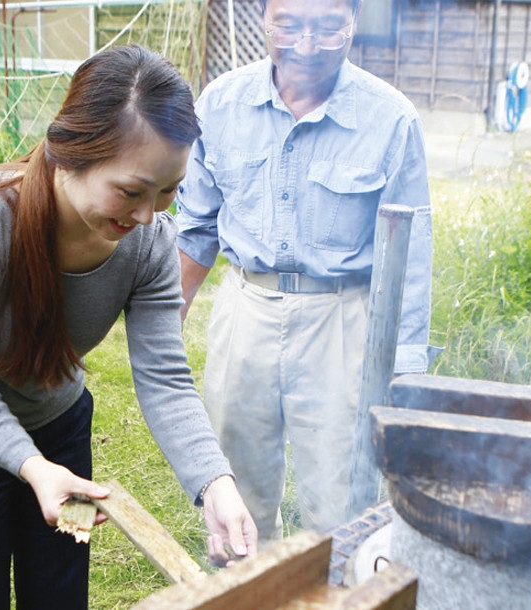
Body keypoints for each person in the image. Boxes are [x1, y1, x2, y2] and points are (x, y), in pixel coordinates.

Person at [0, 44, 258, 609]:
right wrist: (29, 466)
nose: (148, 216)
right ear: (71, 153)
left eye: (169, 191)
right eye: (132, 190)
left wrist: (215, 484)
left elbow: (165, 376)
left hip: (58, 429)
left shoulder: (150, 243)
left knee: (60, 594)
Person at [175, 0, 434, 542]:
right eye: (288, 25)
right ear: (264, 18)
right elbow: (196, 227)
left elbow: (407, 258)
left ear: (354, 23)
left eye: (328, 28)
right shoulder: (220, 104)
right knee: (235, 487)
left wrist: (404, 371)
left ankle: (338, 592)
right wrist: (166, 324)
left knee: (342, 495)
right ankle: (244, 592)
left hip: (342, 318)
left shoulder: (391, 118)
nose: (307, 46)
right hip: (246, 305)